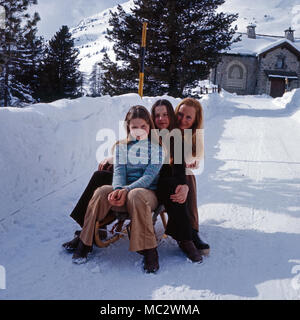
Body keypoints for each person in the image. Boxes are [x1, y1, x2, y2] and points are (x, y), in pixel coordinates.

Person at [72, 105, 164, 273]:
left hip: (147, 194)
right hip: (125, 192)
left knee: (136, 194)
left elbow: (148, 177)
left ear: (149, 126)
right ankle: (85, 242)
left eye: (143, 126)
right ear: (128, 127)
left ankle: (149, 249)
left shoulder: (157, 149)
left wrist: (126, 190)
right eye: (134, 127)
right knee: (101, 191)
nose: (139, 131)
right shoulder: (121, 147)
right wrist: (117, 190)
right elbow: (119, 172)